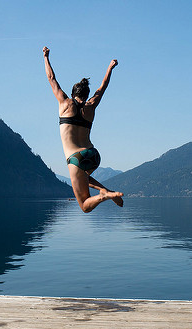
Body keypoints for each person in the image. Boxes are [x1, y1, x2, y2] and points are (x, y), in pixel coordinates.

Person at [43, 46, 124, 212]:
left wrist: (46, 57)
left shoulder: (65, 103)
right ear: (87, 95)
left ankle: (103, 196)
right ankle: (106, 190)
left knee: (85, 206)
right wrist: (110, 67)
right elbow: (103, 87)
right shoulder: (91, 106)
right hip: (93, 155)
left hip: (75, 158)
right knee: (84, 177)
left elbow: (51, 78)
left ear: (73, 94)